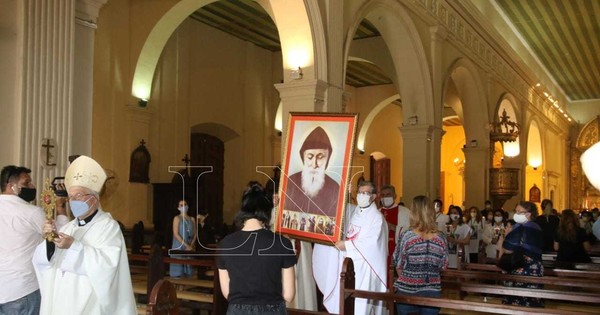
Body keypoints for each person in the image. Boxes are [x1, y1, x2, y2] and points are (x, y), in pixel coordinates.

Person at [32, 155, 137, 315]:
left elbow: (107, 265)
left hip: (90, 304)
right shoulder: (68, 227)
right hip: (61, 301)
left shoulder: (108, 227)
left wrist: (73, 246)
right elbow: (44, 262)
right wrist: (49, 241)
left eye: (79, 195)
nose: (73, 201)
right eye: (71, 197)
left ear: (94, 199)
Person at [217, 185, 296, 314]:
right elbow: (288, 295)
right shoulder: (283, 243)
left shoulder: (225, 244)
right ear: (267, 211)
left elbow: (227, 293)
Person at [314, 181, 387, 314]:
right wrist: (345, 193)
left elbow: (372, 243)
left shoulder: (377, 218)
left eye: (365, 193)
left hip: (365, 268)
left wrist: (346, 245)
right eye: (359, 192)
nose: (361, 196)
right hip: (347, 267)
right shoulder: (354, 211)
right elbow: (340, 208)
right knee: (345, 303)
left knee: (361, 306)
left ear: (374, 196)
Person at [0, 166, 64, 314]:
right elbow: (59, 238)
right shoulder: (31, 212)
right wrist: (61, 209)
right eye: (27, 183)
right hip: (22, 288)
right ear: (11, 186)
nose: (32, 186)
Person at [393, 195, 448, 315]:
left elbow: (397, 263)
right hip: (432, 290)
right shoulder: (441, 237)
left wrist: (411, 279)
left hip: (407, 290)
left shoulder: (407, 236)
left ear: (414, 213)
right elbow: (443, 266)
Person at [283, 126, 340, 217]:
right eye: (310, 157)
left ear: (328, 158)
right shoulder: (291, 181)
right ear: (303, 157)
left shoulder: (334, 188)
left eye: (320, 157)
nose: (314, 164)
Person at [500, 201, 544, 307]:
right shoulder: (537, 227)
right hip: (535, 266)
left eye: (519, 212)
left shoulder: (521, 228)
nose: (516, 214)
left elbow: (508, 249)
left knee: (518, 302)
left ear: (528, 214)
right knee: (531, 300)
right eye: (516, 211)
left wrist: (507, 235)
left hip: (522, 267)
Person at [379, 185, 410, 266]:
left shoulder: (405, 212)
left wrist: (393, 227)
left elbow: (410, 233)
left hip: (396, 249)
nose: (385, 197)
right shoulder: (377, 212)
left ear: (395, 196)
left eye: (388, 195)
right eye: (383, 195)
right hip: (380, 251)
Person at [170, 199, 197, 278]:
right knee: (178, 271)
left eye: (185, 204)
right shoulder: (177, 218)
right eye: (181, 205)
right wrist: (185, 245)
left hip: (189, 246)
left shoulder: (192, 219)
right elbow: (176, 234)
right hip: (179, 245)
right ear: (178, 207)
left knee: (188, 272)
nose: (184, 206)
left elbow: (195, 233)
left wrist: (191, 245)